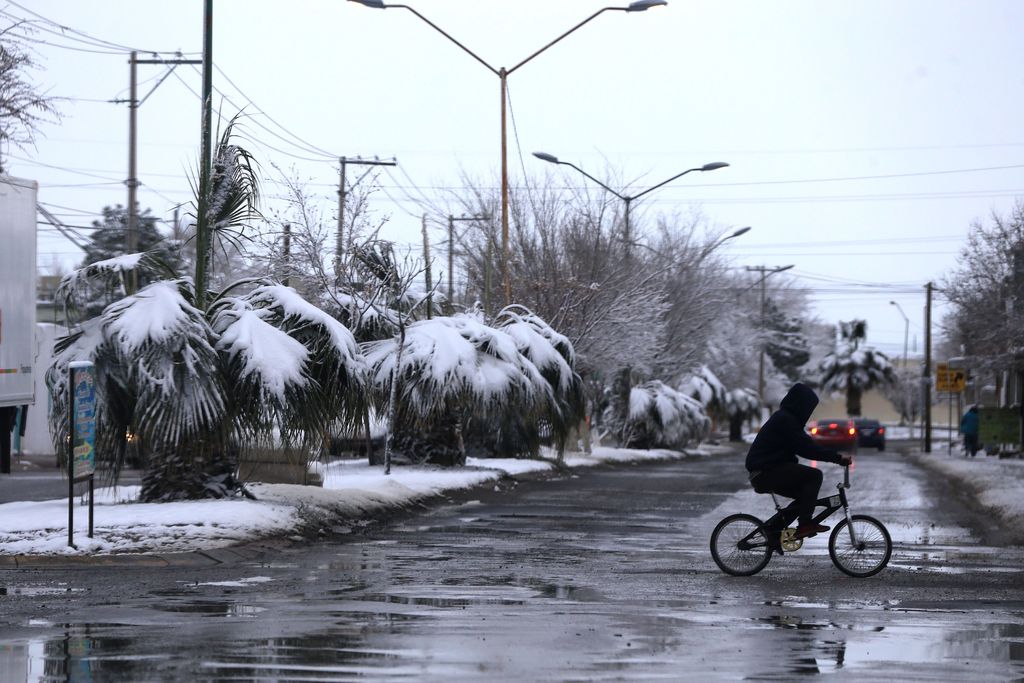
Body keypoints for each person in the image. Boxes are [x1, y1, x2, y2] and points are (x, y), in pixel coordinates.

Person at [745, 383, 852, 543]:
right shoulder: (785, 420)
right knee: (814, 476)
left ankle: (773, 531)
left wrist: (834, 457)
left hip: (767, 470)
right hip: (764, 471)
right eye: (808, 407)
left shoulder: (787, 419)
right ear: (800, 404)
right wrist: (837, 458)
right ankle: (805, 524)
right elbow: (806, 448)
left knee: (805, 497)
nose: (808, 412)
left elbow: (806, 445)